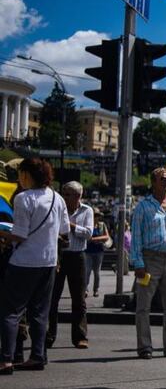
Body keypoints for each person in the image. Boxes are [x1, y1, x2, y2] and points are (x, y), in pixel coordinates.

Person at [0, 158, 70, 374]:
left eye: (21, 174)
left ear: (27, 175)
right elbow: (64, 229)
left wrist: (3, 233)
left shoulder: (23, 198)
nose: (19, 179)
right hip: (48, 261)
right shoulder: (57, 198)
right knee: (40, 313)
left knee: (10, 312)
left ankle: (6, 359)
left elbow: (19, 235)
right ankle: (37, 356)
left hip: (23, 262)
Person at [130, 167, 166, 359]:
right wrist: (138, 263)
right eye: (163, 179)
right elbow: (136, 236)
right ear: (153, 182)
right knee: (143, 306)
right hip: (150, 260)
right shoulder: (142, 207)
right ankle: (145, 346)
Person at [46, 181, 93, 350]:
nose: (64, 197)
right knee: (52, 298)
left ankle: (80, 337)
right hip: (59, 255)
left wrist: (70, 226)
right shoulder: (57, 208)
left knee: (79, 299)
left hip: (78, 256)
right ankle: (49, 335)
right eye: (63, 193)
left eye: (68, 194)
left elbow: (88, 233)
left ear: (78, 196)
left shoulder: (87, 211)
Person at [85, 208, 109, 297]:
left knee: (97, 272)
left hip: (99, 251)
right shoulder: (87, 225)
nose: (96, 217)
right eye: (94, 215)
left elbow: (106, 237)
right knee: (87, 271)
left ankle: (96, 290)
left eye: (97, 215)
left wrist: (94, 239)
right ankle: (85, 290)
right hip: (88, 251)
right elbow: (85, 237)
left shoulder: (102, 225)